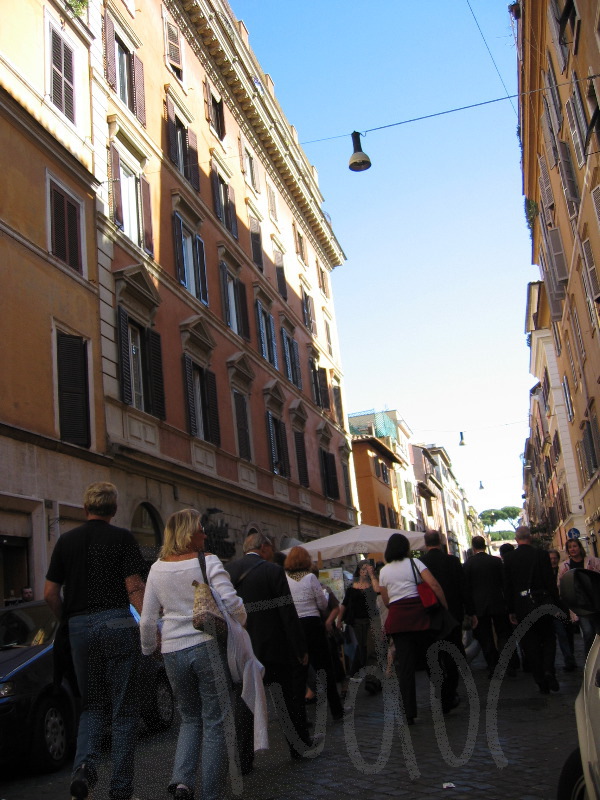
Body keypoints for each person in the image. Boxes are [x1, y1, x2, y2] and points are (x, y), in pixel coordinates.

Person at [44, 482, 146, 800]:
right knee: (125, 710)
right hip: (117, 621)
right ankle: (120, 789)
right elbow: (134, 588)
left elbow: (49, 593)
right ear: (113, 510)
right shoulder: (123, 539)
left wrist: (68, 620)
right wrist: (151, 626)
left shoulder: (66, 541)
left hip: (79, 627)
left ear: (85, 508)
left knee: (92, 706)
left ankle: (84, 771)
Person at [139, 509, 245, 800]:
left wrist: (150, 650)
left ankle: (182, 782)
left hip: (172, 651)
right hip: (207, 645)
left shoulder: (156, 568)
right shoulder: (207, 561)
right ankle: (210, 794)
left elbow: (147, 620)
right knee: (215, 719)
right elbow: (232, 602)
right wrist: (241, 622)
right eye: (200, 528)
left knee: (189, 718)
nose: (205, 533)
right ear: (189, 533)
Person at [226, 532, 312, 771]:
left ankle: (243, 759)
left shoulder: (229, 572)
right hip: (276, 648)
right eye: (271, 548)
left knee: (245, 703)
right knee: (288, 700)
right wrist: (299, 647)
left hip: (243, 649)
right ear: (263, 547)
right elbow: (287, 613)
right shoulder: (273, 571)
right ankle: (298, 746)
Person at [378, 533, 447, 724]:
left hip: (398, 619)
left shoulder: (384, 571)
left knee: (405, 668)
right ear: (406, 547)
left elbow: (386, 599)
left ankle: (409, 712)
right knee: (430, 660)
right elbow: (434, 585)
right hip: (419, 616)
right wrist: (444, 607)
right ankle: (445, 699)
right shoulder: (415, 563)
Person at [284, 547, 344, 720]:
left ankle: (300, 716)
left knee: (299, 671)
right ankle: (336, 710)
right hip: (313, 624)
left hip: (296, 626)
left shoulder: (285, 579)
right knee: (325, 668)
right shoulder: (310, 578)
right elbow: (323, 604)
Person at [503, 526, 560, 694]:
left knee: (530, 644)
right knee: (549, 637)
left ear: (516, 539)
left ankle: (540, 680)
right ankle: (549, 669)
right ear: (531, 537)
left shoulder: (509, 558)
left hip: (522, 605)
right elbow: (550, 582)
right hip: (542, 602)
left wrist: (511, 610)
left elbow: (508, 586)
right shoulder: (542, 555)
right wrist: (556, 603)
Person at [420, 530, 466, 711]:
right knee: (452, 654)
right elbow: (463, 588)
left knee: (433, 656)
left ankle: (442, 690)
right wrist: (469, 611)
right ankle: (450, 691)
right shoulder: (453, 561)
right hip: (452, 615)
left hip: (429, 615)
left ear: (425, 543)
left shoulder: (419, 564)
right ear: (440, 541)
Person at [464, 535, 516, 677]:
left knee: (485, 637)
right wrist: (508, 605)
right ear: (485, 546)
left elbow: (466, 590)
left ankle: (493, 666)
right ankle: (509, 666)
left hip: (479, 607)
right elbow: (505, 584)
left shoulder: (468, 564)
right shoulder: (496, 562)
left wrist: (470, 611)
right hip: (498, 603)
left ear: (473, 547)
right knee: (503, 634)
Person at [339, 560, 382, 694]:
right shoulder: (352, 587)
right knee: (360, 652)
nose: (364, 571)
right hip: (356, 622)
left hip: (372, 620)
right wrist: (339, 620)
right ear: (358, 571)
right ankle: (362, 678)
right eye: (362, 569)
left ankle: (371, 680)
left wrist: (373, 575)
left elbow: (378, 590)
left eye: (367, 569)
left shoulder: (372, 584)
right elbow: (344, 604)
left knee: (371, 650)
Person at [557, 538, 600, 657]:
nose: (573, 549)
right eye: (570, 547)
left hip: (595, 601)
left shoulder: (593, 561)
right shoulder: (564, 566)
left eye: (575, 546)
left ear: (580, 547)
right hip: (579, 604)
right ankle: (589, 658)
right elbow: (560, 585)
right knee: (588, 632)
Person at [548, 548, 577, 671]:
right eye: (551, 559)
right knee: (562, 634)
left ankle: (570, 657)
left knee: (568, 634)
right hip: (554, 608)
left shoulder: (563, 570)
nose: (553, 560)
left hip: (565, 607)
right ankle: (569, 659)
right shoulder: (546, 573)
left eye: (555, 558)